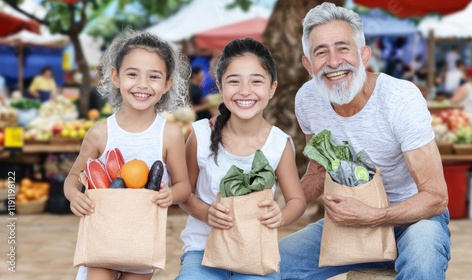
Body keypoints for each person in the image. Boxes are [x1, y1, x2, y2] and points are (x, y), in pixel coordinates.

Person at [279, 3, 450, 279]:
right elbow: (318, 172)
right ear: (308, 64)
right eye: (321, 52)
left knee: (422, 257)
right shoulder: (307, 99)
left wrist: (373, 216)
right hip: (348, 224)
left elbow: (436, 197)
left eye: (343, 48)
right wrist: (278, 210)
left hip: (415, 219)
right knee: (270, 265)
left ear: (364, 54)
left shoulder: (400, 98)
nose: (333, 62)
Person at [64, 28, 191, 280]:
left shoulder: (170, 134)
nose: (142, 85)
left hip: (141, 241)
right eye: (132, 74)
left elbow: (184, 186)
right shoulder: (100, 133)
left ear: (167, 84)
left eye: (153, 77)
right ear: (116, 76)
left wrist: (171, 194)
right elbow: (73, 178)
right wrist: (72, 197)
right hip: (102, 237)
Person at [176, 38, 307, 280]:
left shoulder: (279, 144)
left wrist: (282, 215)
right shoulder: (200, 136)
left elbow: (297, 200)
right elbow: (184, 193)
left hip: (255, 253)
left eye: (256, 81)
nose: (245, 91)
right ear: (220, 86)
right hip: (203, 252)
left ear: (272, 88)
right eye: (234, 81)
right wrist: (205, 213)